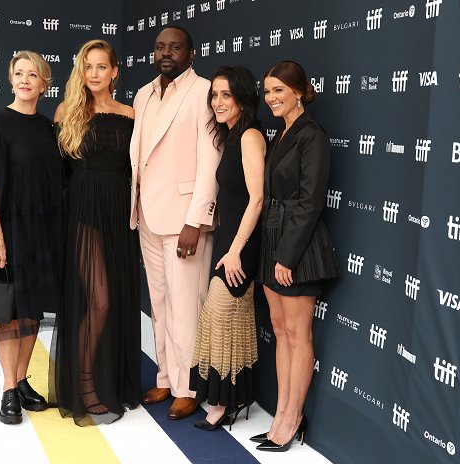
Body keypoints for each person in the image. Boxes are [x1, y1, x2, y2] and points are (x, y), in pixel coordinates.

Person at [129, 26, 221, 420]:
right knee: (160, 304)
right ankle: (166, 376)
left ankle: (189, 386)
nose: (167, 52)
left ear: (192, 53)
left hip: (185, 219)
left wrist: (197, 219)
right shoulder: (144, 94)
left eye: (176, 47)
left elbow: (211, 159)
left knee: (187, 306)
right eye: (160, 47)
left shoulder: (203, 92)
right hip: (148, 215)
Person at [49, 40, 141, 426]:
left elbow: (137, 169)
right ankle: (85, 385)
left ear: (115, 71)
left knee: (116, 300)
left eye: (101, 67)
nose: (94, 74)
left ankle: (113, 381)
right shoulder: (67, 111)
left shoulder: (130, 113)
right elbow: (55, 175)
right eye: (88, 66)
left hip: (119, 213)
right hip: (83, 212)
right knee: (99, 301)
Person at [0, 51, 65, 424]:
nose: (25, 80)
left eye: (33, 75)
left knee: (30, 310)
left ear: (45, 83)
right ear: (11, 80)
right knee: (9, 314)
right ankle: (9, 388)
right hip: (8, 229)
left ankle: (24, 380)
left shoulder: (47, 127)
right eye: (19, 74)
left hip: (41, 230)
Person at [251, 61, 340, 451]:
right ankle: (282, 413)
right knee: (279, 327)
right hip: (274, 239)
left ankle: (292, 417)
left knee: (297, 333)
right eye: (268, 91)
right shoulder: (282, 132)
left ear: (300, 92)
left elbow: (310, 202)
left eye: (279, 91)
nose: (271, 98)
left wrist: (286, 256)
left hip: (298, 247)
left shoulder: (311, 135)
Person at [189, 66, 266, 431]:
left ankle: (223, 402)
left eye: (226, 95)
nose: (218, 102)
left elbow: (257, 199)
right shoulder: (231, 135)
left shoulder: (250, 135)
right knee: (229, 321)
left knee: (222, 316)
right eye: (214, 96)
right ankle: (232, 399)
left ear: (241, 98)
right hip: (228, 238)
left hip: (241, 243)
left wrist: (235, 250)